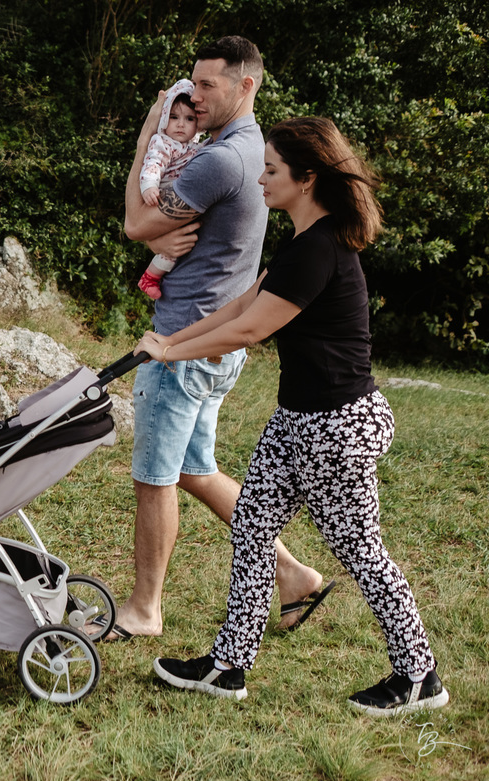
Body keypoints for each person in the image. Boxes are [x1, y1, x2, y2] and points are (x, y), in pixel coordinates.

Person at [140, 116, 449, 716]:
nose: (261, 179)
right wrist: (170, 338)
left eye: (272, 170)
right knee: (253, 528)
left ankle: (420, 676)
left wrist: (171, 352)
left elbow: (251, 330)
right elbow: (243, 304)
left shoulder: (319, 248)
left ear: (306, 180)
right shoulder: (304, 244)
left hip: (336, 426)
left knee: (359, 549)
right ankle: (229, 666)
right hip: (298, 419)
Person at [107, 35, 328, 642]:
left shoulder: (220, 159)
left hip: (185, 342)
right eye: (192, 84)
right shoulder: (248, 147)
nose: (194, 96)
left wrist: (144, 141)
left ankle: (144, 609)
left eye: (207, 85)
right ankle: (292, 574)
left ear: (245, 85)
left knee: (155, 475)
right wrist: (159, 241)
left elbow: (135, 223)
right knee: (193, 468)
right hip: (218, 342)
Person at [137, 79, 203, 300]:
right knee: (171, 247)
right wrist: (149, 186)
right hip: (161, 191)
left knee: (179, 244)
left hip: (180, 195)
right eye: (174, 117)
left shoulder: (195, 147)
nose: (180, 124)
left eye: (189, 119)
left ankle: (153, 276)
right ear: (165, 118)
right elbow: (153, 163)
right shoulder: (162, 142)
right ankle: (149, 278)